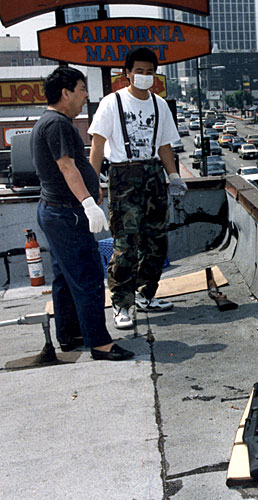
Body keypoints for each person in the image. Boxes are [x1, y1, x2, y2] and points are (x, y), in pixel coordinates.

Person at [32, 67, 134, 361]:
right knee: (88, 277)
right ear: (65, 93)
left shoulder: (50, 122)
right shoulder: (58, 124)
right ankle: (99, 343)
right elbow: (67, 166)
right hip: (68, 214)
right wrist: (88, 203)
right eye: (81, 89)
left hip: (55, 212)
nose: (85, 95)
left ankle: (70, 334)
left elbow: (73, 165)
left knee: (65, 277)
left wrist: (93, 187)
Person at [89, 47, 187, 330]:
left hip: (153, 174)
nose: (145, 76)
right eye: (139, 71)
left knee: (156, 241)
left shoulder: (160, 105)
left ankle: (146, 294)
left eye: (150, 72)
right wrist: (94, 182)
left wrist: (174, 176)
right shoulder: (112, 103)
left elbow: (165, 145)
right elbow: (97, 146)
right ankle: (122, 304)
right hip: (124, 175)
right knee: (126, 244)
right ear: (127, 73)